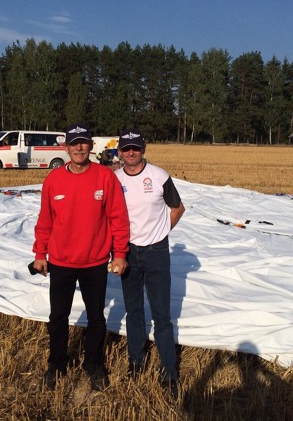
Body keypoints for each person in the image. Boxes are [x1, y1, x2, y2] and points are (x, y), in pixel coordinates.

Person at [32, 123, 130, 391]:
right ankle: (57, 364)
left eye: (84, 142)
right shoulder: (53, 180)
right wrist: (40, 253)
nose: (79, 147)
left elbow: (118, 219)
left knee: (96, 317)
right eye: (74, 143)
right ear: (66, 147)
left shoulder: (105, 178)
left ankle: (94, 364)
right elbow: (45, 221)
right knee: (58, 317)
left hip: (95, 262)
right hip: (61, 262)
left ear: (91, 146)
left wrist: (119, 254)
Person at [114, 128, 185, 398]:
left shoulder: (159, 176)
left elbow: (178, 207)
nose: (131, 153)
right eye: (126, 148)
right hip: (128, 253)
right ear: (120, 151)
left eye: (136, 148)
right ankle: (136, 363)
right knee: (133, 311)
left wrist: (162, 232)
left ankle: (170, 373)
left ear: (143, 149)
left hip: (157, 252)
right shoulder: (115, 179)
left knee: (162, 315)